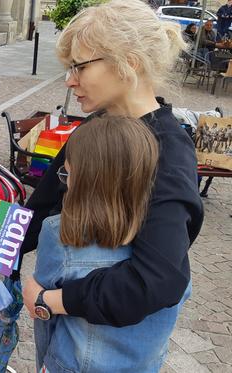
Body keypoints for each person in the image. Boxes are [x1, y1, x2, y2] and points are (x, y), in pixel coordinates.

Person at [0, 0, 204, 371]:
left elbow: (158, 280)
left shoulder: (167, 152)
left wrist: (51, 301)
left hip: (109, 354)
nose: (70, 80)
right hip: (64, 346)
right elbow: (38, 212)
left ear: (128, 62)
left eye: (80, 67)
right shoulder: (93, 129)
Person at [33, 116, 190, 373]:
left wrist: (45, 363)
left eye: (67, 173)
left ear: (83, 179)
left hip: (72, 364)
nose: (66, 182)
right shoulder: (171, 248)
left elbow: (44, 317)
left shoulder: (58, 232)